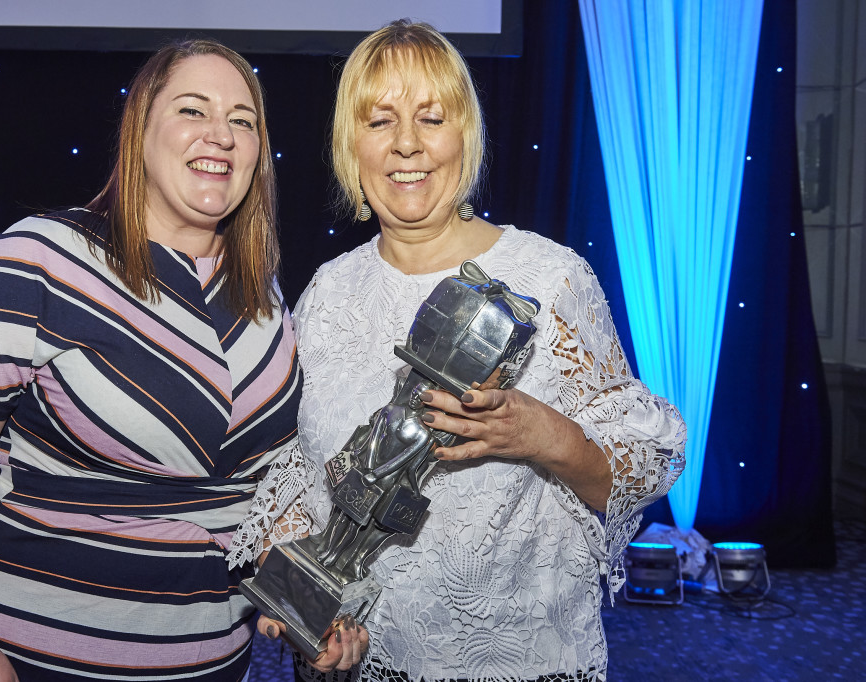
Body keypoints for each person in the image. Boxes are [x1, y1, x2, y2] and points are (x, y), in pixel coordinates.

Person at [0, 39, 360, 681]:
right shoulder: (40, 257)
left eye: (242, 120)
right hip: (38, 659)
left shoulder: (263, 299)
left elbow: (259, 496)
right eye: (192, 110)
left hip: (212, 663)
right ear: (140, 131)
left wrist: (310, 613)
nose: (220, 135)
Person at [249, 19, 687, 682]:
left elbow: (647, 463)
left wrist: (547, 434)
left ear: (466, 135)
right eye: (379, 121)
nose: (406, 145)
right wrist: (316, 614)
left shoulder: (550, 280)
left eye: (431, 117)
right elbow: (294, 470)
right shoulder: (331, 290)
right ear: (351, 144)